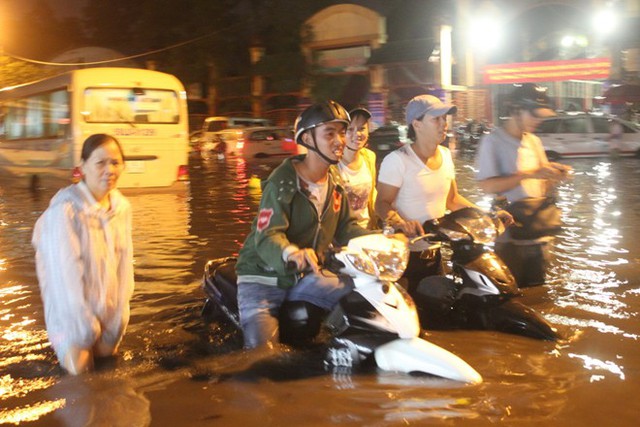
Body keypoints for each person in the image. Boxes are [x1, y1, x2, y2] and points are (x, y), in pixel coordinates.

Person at [234, 100, 373, 349]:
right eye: (329, 133)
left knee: (361, 298)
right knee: (262, 355)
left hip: (306, 275)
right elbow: (267, 235)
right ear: (308, 139)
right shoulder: (282, 182)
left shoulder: (335, 180)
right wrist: (291, 252)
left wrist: (384, 238)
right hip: (264, 280)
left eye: (342, 132)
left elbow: (346, 229)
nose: (340, 140)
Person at [375, 94, 511, 293]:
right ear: (417, 124)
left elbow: (453, 200)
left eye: (444, 118)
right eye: (436, 119)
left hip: (436, 250)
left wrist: (486, 217)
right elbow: (381, 203)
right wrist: (401, 223)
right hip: (404, 255)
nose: (443, 124)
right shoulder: (397, 160)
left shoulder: (446, 155)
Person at [32, 134, 134, 375]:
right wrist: (83, 329)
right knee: (81, 381)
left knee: (113, 379)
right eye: (100, 163)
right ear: (83, 167)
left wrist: (117, 321)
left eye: (115, 162)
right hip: (69, 321)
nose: (109, 170)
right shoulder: (65, 212)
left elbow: (125, 268)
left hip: (107, 316)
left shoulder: (122, 209)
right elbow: (65, 279)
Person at [475, 83, 572, 287]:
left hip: (538, 233)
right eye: (534, 114)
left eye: (541, 115)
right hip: (510, 237)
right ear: (516, 110)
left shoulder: (533, 141)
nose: (539, 120)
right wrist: (530, 173)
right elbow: (487, 186)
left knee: (539, 292)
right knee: (513, 294)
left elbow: (542, 179)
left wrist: (554, 173)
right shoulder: (492, 142)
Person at [336, 107, 378, 229]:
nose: (357, 134)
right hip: (342, 234)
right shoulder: (333, 163)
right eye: (350, 129)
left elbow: (372, 194)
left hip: (368, 230)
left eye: (362, 129)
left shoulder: (369, 157)